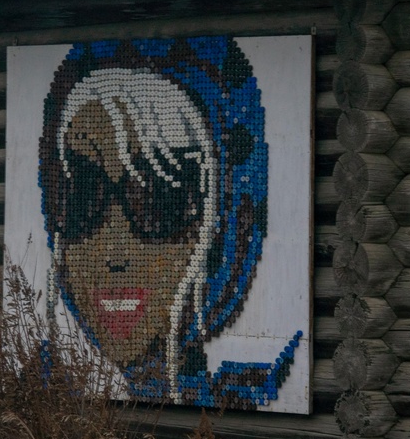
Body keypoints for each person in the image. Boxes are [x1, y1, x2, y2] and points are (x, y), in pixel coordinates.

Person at [37, 37, 299, 409]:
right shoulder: (40, 385)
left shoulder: (254, 386)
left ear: (223, 229)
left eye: (157, 203)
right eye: (83, 199)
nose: (114, 252)